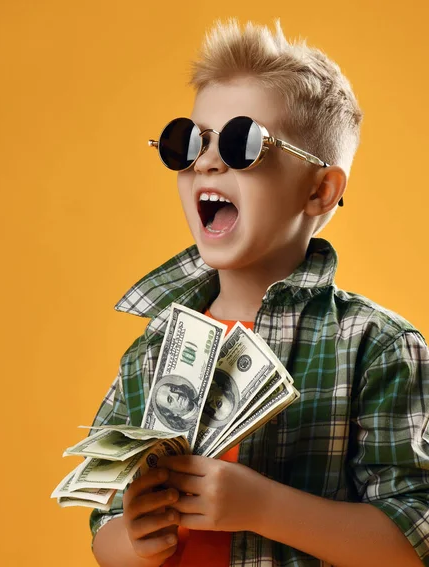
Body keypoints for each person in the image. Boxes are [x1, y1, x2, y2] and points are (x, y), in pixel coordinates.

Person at [88, 17, 429, 567]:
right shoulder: (153, 351)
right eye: (187, 142)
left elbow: (415, 539)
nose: (207, 160)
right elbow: (103, 522)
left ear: (320, 190)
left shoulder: (379, 347)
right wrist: (135, 539)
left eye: (243, 143)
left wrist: (264, 507)